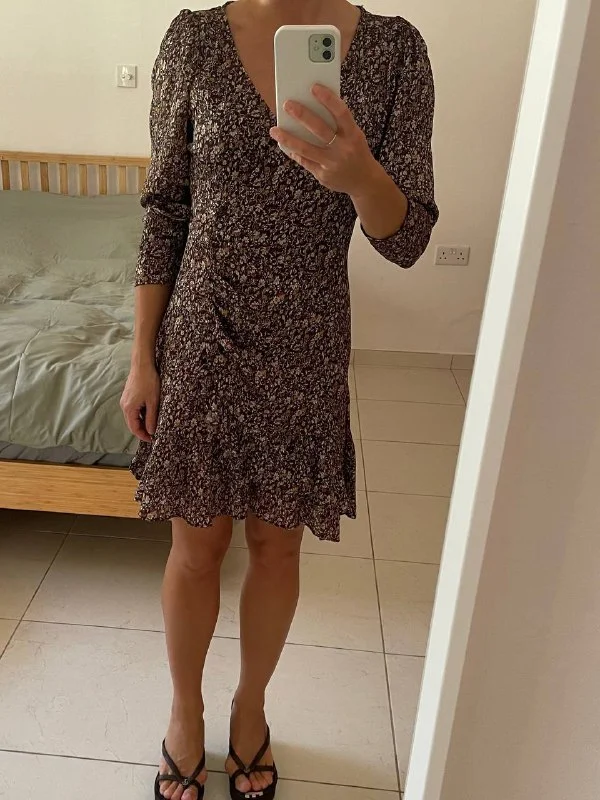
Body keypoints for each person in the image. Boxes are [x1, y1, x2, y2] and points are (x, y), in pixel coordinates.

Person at [120, 0, 438, 798]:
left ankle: (250, 708)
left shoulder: (395, 51)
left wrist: (361, 176)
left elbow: (407, 238)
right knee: (195, 550)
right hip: (203, 332)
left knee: (277, 547)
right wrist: (140, 357)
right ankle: (186, 713)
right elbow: (165, 209)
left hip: (306, 340)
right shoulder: (194, 38)